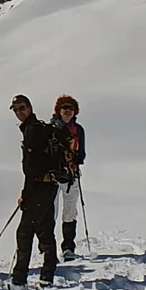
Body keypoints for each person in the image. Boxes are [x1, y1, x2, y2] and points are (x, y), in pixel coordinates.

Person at [10, 94, 62, 287]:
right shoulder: (36, 128)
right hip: (48, 186)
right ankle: (47, 277)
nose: (19, 112)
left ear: (30, 107)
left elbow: (31, 169)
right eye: (16, 110)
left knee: (25, 233)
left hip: (39, 187)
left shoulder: (33, 130)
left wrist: (26, 193)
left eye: (22, 108)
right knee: (45, 230)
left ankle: (19, 280)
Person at [51, 95, 85, 260]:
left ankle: (68, 247)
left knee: (70, 211)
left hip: (71, 174)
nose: (67, 111)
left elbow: (82, 153)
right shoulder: (51, 128)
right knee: (51, 211)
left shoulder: (78, 130)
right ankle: (48, 248)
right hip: (54, 175)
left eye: (71, 109)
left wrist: (77, 159)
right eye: (64, 108)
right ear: (59, 110)